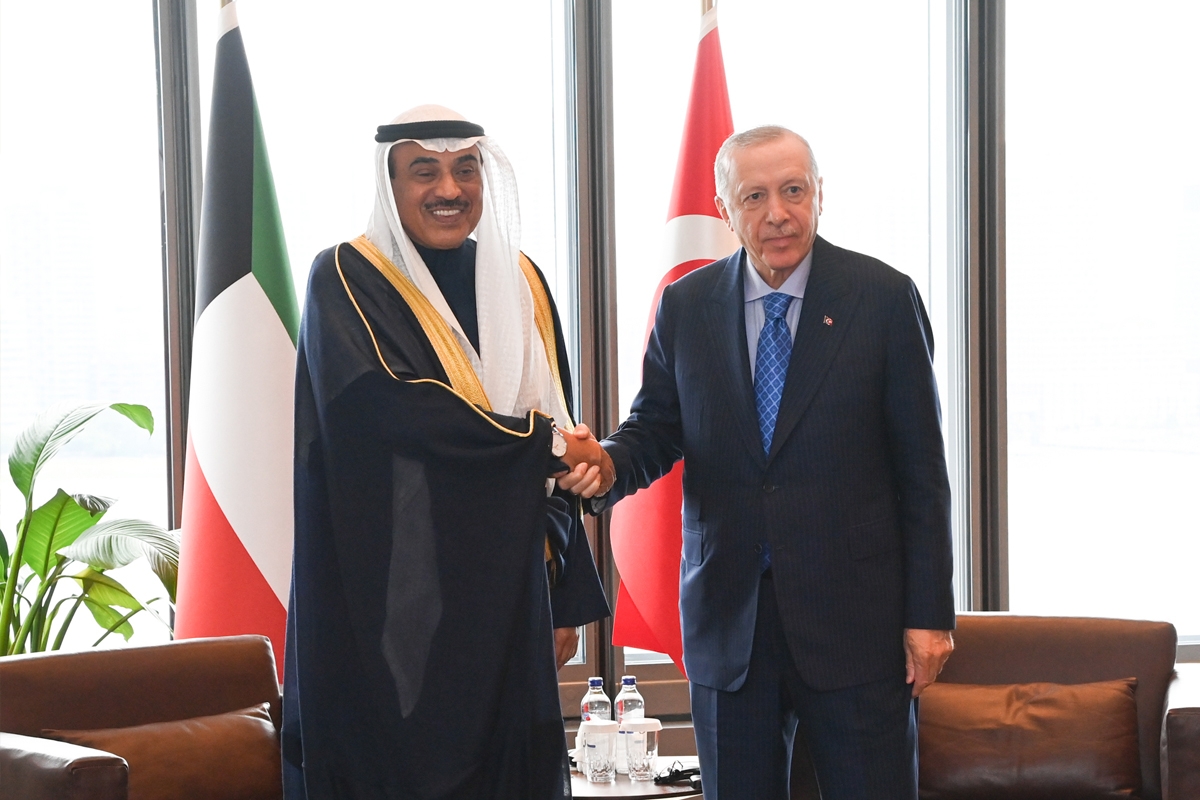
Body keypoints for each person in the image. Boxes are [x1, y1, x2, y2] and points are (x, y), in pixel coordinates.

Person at [561, 126, 956, 799]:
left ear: (820, 194)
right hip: (730, 626)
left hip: (856, 626)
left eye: (793, 191)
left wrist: (929, 614)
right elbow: (655, 430)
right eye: (755, 197)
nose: (778, 213)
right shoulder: (687, 306)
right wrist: (606, 464)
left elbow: (923, 474)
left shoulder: (883, 299)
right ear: (724, 208)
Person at [283, 105, 610, 799]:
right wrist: (545, 444)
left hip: (511, 592)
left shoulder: (520, 280)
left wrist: (561, 588)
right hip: (395, 604)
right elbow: (390, 411)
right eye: (424, 171)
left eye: (466, 169)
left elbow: (553, 427)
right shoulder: (345, 276)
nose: (449, 189)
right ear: (390, 183)